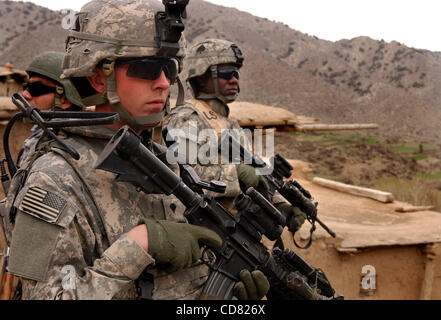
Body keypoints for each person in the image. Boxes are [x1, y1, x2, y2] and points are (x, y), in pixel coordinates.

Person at [3, 0, 268, 300]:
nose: (164, 83)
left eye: (169, 69)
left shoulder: (165, 164)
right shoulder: (53, 177)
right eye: (147, 69)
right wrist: (139, 245)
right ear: (97, 75)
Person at [164, 39, 307, 234]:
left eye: (236, 74)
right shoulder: (185, 118)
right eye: (225, 74)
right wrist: (235, 173)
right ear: (201, 77)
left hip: (236, 229)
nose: (234, 80)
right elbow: (181, 178)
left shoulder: (231, 124)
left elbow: (255, 177)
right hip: (200, 229)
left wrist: (279, 203)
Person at [18, 51, 85, 165]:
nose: (25, 94)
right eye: (26, 87)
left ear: (64, 99)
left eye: (36, 88)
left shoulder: (66, 149)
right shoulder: (42, 136)